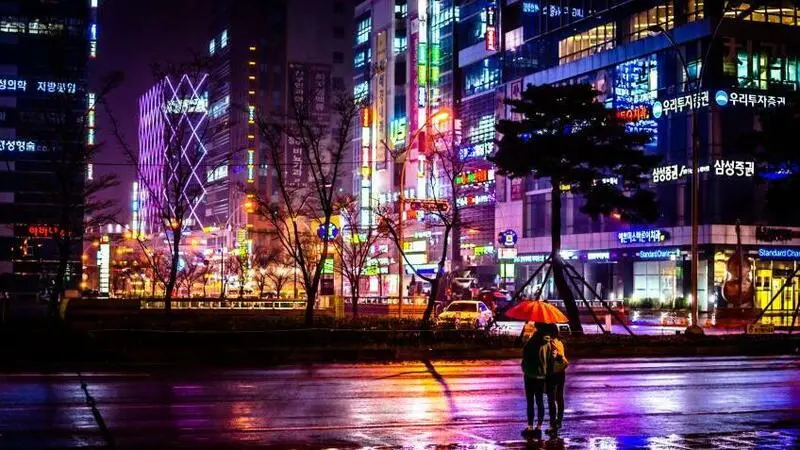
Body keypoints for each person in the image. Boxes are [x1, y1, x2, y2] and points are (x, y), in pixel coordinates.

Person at [521, 322, 552, 436]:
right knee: (540, 401)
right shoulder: (548, 343)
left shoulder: (531, 341)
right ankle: (539, 427)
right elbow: (550, 360)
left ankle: (530, 427)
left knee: (530, 401)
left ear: (537, 328)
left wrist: (525, 369)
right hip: (541, 375)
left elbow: (525, 358)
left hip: (530, 375)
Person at [546, 324, 569, 434]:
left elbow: (552, 357)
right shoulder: (559, 342)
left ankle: (553, 424)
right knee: (559, 397)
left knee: (551, 398)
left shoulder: (551, 343)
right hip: (561, 372)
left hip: (553, 373)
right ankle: (559, 421)